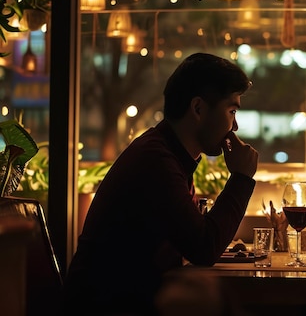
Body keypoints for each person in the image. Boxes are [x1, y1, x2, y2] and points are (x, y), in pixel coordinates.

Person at [62, 53, 259, 315]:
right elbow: (204, 247)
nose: (234, 126)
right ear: (198, 108)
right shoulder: (156, 160)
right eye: (231, 110)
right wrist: (242, 179)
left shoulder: (166, 153)